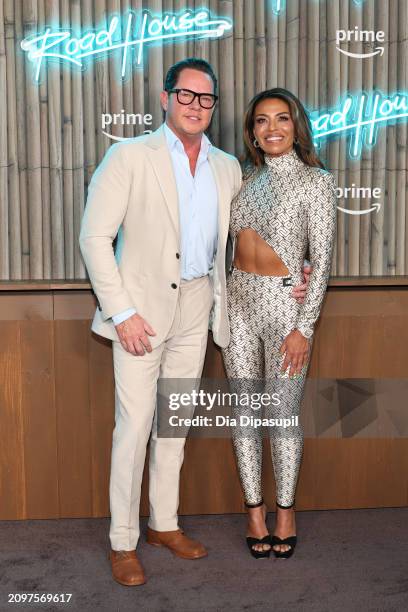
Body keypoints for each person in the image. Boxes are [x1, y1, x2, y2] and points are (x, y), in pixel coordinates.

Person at [79, 59, 309, 586]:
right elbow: (94, 239)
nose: (196, 106)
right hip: (139, 316)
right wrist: (122, 314)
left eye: (206, 99)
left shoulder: (228, 167)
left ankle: (163, 524)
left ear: (214, 107)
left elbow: (252, 233)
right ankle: (122, 541)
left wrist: (301, 268)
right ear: (166, 98)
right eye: (186, 95)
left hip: (197, 310)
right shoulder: (129, 157)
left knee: (174, 426)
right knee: (134, 427)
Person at [221, 88, 337, 559]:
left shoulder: (316, 182)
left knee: (281, 415)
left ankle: (285, 512)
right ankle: (254, 511)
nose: (272, 128)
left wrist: (303, 327)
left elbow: (321, 261)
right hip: (237, 306)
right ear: (252, 131)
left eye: (282, 119)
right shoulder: (243, 179)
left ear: (296, 126)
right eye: (262, 121)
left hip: (285, 314)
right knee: (245, 414)